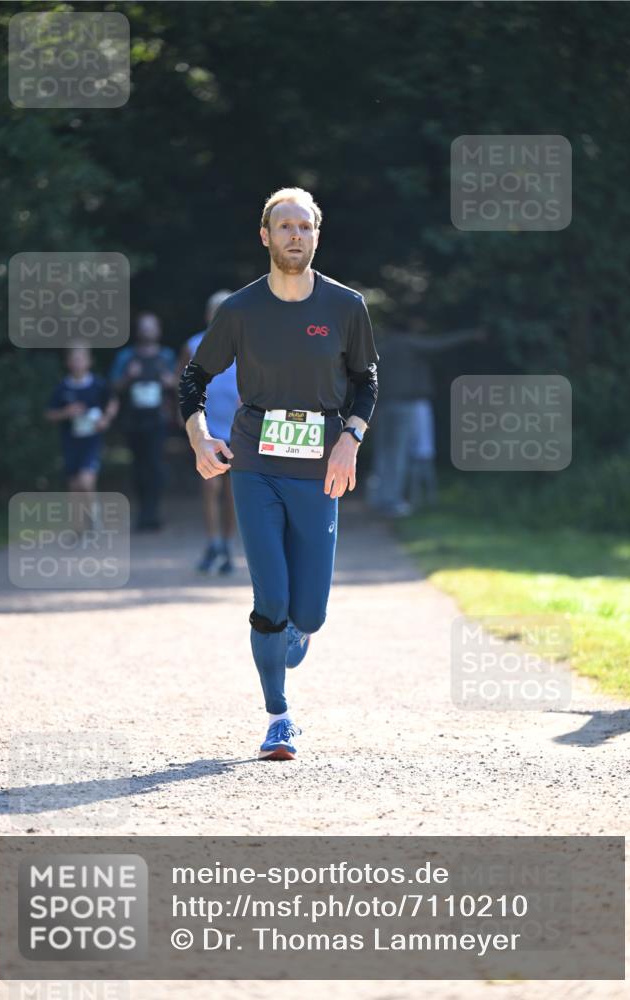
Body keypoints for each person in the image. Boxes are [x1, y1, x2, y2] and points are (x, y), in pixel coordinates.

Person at [179, 187, 378, 761]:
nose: (296, 236)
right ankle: (278, 718)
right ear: (265, 236)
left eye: (305, 227)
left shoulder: (346, 306)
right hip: (255, 461)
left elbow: (365, 381)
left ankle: (297, 628)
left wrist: (350, 438)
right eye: (284, 226)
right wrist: (199, 437)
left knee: (308, 611)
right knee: (271, 601)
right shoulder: (240, 310)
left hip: (321, 463)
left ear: (318, 235)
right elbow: (194, 380)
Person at [370, 320, 484, 516]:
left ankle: (380, 498)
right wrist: (472, 334)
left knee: (384, 453)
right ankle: (391, 501)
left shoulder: (381, 348)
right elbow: (440, 344)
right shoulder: (409, 344)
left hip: (383, 407)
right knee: (399, 454)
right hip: (405, 406)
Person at [177, 290, 239, 574]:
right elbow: (183, 383)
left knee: (232, 492)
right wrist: (186, 420)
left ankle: (227, 544)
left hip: (239, 430)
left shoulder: (246, 345)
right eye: (215, 311)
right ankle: (213, 541)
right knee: (210, 484)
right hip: (208, 429)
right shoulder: (193, 345)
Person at [109, 312, 177, 531]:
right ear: (137, 330)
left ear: (158, 330)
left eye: (152, 326)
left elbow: (182, 384)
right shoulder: (126, 357)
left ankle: (153, 512)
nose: (147, 331)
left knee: (155, 465)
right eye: (143, 327)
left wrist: (170, 382)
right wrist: (128, 377)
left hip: (158, 420)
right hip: (133, 421)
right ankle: (142, 512)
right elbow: (113, 387)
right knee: (138, 466)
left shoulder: (166, 356)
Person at [45, 344, 119, 529]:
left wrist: (105, 419)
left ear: (89, 361)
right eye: (74, 359)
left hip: (91, 441)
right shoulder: (62, 388)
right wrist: (66, 412)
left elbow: (112, 402)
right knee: (74, 485)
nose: (78, 363)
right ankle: (78, 525)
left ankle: (95, 519)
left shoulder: (98, 384)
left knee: (86, 480)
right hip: (70, 442)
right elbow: (49, 414)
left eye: (81, 358)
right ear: (68, 362)